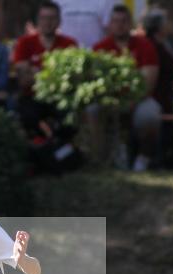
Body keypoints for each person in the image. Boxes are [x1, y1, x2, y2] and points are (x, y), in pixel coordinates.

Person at [93, 4, 160, 171]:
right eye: (115, 21)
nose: (120, 25)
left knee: (150, 114)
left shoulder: (145, 46)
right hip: (109, 100)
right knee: (92, 110)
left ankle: (143, 159)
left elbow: (148, 83)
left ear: (131, 23)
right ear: (109, 24)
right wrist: (114, 102)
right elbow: (95, 83)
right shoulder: (100, 49)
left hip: (139, 99)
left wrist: (131, 101)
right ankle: (99, 159)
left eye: (124, 21)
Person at [12, 1, 77, 134]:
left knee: (69, 121)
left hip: (60, 99)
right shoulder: (25, 43)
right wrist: (55, 75)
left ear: (59, 21)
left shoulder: (69, 44)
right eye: (44, 18)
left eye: (52, 18)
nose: (48, 22)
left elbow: (71, 80)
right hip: (32, 98)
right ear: (38, 21)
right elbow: (23, 80)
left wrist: (36, 72)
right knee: (26, 116)